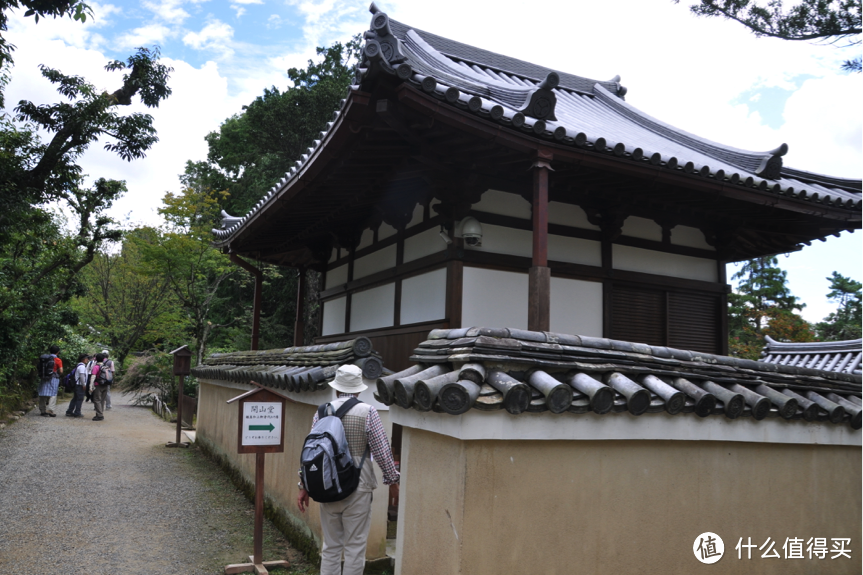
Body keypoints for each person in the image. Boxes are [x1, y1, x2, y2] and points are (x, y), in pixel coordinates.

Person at [296, 364, 399, 575]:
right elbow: (382, 452)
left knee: (331, 547)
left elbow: (311, 452)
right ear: (359, 390)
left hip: (327, 484)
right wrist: (392, 481)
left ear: (336, 388)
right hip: (358, 487)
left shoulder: (322, 412)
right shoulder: (367, 412)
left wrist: (304, 485)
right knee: (354, 547)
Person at [37, 345, 63, 417]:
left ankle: (42, 410)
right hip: (53, 378)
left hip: (44, 377)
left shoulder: (44, 358)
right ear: (58, 352)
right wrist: (58, 373)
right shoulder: (58, 360)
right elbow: (61, 371)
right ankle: (50, 410)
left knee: (42, 393)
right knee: (53, 394)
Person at [65, 353, 90, 418]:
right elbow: (82, 376)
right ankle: (77, 412)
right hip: (80, 385)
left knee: (75, 398)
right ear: (83, 359)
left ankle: (69, 411)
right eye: (86, 358)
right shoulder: (82, 367)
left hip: (77, 384)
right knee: (79, 399)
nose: (87, 359)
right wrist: (84, 385)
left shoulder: (78, 366)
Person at [90, 353, 109, 421]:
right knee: (102, 400)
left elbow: (93, 376)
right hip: (105, 385)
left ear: (96, 359)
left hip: (98, 384)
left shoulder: (96, 367)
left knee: (96, 399)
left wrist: (90, 386)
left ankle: (99, 415)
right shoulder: (105, 366)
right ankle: (100, 413)